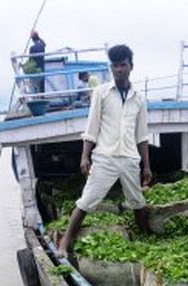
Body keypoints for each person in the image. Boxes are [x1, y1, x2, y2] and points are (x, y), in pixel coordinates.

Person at [56, 44, 152, 256]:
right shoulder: (101, 93)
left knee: (138, 202)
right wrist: (84, 156)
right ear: (111, 68)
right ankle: (65, 242)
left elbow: (142, 136)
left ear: (130, 66)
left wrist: (147, 166)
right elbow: (92, 127)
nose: (118, 70)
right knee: (87, 201)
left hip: (129, 158)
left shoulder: (139, 98)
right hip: (105, 158)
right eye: (115, 66)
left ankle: (145, 237)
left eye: (123, 65)